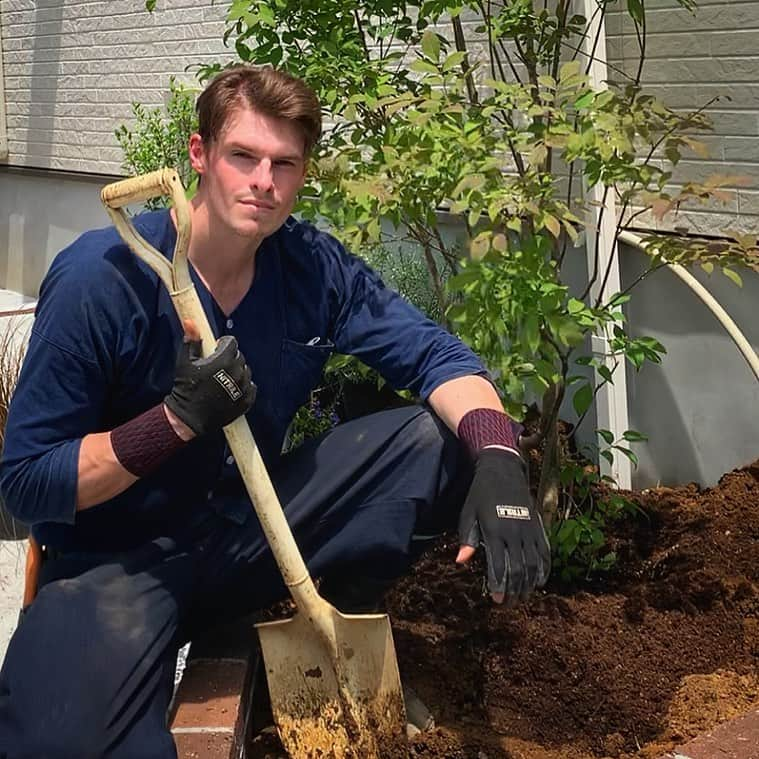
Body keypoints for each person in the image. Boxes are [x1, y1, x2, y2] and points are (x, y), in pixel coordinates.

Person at [0, 65, 550, 758]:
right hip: (114, 568)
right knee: (57, 742)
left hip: (250, 534)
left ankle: (342, 612)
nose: (263, 180)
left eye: (283, 164)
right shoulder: (100, 280)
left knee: (436, 441)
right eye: (243, 157)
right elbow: (24, 481)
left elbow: (439, 359)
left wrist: (500, 461)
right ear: (198, 156)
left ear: (302, 172)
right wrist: (169, 422)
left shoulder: (307, 267)